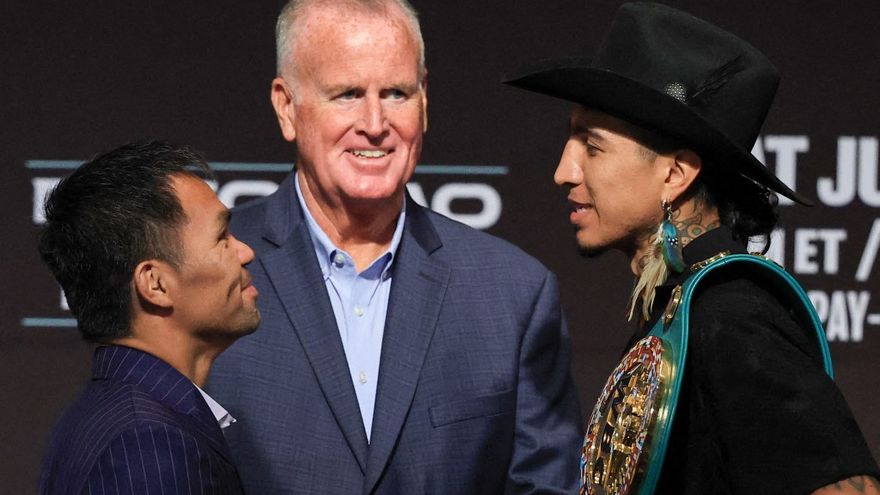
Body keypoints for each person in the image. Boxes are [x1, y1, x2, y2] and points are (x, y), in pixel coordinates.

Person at [205, 0, 582, 493]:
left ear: (424, 101)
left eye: (396, 93)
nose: (375, 123)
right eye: (347, 94)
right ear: (286, 107)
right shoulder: (207, 270)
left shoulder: (514, 294)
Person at [504, 2, 880, 494]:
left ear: (675, 173)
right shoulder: (682, 308)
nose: (563, 172)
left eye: (592, 147)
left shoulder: (731, 316)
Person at [38, 142, 260, 495]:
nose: (245, 252)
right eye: (222, 237)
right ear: (155, 284)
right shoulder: (148, 444)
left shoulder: (123, 416)